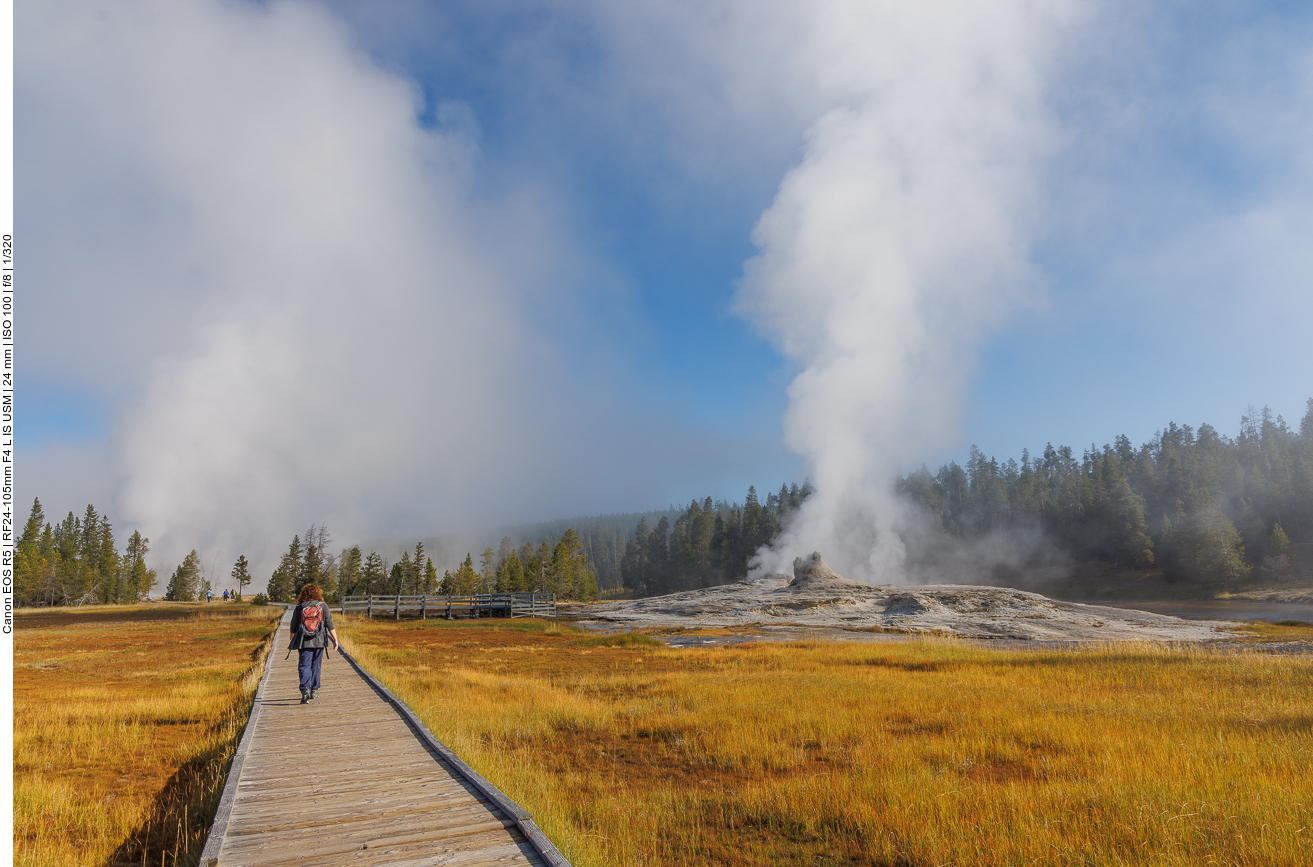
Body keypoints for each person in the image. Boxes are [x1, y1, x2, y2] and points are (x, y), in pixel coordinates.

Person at [289, 584, 339, 704]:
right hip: (319, 640)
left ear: (304, 594)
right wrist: (335, 639)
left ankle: (305, 689)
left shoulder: (300, 607)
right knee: (316, 665)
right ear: (318, 593)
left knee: (304, 665)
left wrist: (292, 638)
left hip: (303, 641)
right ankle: (314, 690)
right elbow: (329, 623)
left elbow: (293, 625)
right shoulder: (322, 606)